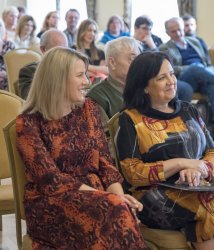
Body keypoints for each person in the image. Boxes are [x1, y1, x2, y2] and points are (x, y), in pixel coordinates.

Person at [117, 51, 214, 250]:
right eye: (161, 78)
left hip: (195, 189)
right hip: (151, 198)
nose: (171, 81)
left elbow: (213, 153)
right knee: (208, 205)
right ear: (144, 86)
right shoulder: (130, 119)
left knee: (205, 221)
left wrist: (199, 168)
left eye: (172, 74)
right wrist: (182, 163)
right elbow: (132, 172)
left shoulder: (189, 110)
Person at [16, 47, 147, 249]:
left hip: (95, 193)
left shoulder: (89, 109)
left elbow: (105, 164)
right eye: (80, 75)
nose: (87, 81)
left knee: (120, 210)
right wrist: (109, 199)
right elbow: (49, 179)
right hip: (51, 201)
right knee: (114, 213)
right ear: (57, 79)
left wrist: (118, 196)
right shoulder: (28, 122)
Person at [159, 17, 214, 147]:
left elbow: (208, 63)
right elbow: (171, 69)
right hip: (185, 78)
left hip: (203, 77)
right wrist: (193, 68)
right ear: (167, 33)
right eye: (173, 31)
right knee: (196, 67)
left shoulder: (195, 42)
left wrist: (203, 69)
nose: (178, 33)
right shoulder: (164, 48)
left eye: (180, 29)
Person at [87, 36, 140, 121]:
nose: (138, 64)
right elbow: (103, 133)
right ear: (112, 62)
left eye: (139, 59)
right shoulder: (97, 97)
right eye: (132, 59)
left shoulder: (144, 88)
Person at [18, 29, 68, 99]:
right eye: (58, 50)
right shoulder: (29, 71)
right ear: (44, 49)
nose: (64, 54)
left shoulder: (71, 69)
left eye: (66, 50)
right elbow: (30, 100)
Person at [0, 19, 15, 90]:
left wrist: (7, 73)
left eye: (0, 26)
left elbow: (15, 64)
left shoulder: (10, 45)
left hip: (8, 79)